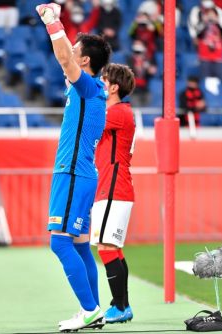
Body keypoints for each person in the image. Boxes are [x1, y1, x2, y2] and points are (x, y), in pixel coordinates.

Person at [36, 3, 111, 332]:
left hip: (72, 172)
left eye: (76, 50)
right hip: (82, 173)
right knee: (80, 245)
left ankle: (90, 308)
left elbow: (64, 57)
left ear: (85, 61)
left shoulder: (86, 85)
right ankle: (94, 312)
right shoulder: (91, 90)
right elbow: (67, 56)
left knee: (60, 243)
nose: (69, 52)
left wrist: (52, 20)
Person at [90, 63, 136, 324]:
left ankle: (119, 307)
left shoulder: (118, 113)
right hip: (112, 188)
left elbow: (90, 118)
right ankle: (122, 304)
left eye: (103, 80)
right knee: (114, 249)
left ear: (114, 87)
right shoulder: (120, 112)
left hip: (113, 189)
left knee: (107, 248)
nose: (99, 84)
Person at [188, 0, 222, 80]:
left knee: (218, 80)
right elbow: (196, 33)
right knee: (205, 79)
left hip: (218, 52)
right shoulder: (197, 11)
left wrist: (217, 22)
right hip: (204, 52)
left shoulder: (219, 11)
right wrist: (204, 23)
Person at [126, 41, 157, 107]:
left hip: (146, 88)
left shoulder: (148, 60)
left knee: (148, 105)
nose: (138, 55)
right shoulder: (130, 60)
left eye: (139, 53)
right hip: (135, 89)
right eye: (136, 52)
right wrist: (137, 66)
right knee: (136, 107)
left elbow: (153, 71)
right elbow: (128, 73)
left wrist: (148, 68)